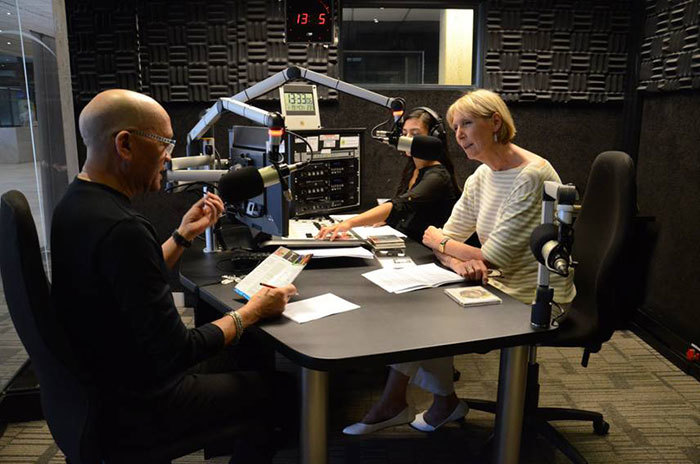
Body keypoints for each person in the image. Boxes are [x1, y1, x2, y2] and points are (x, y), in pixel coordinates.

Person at [50, 89, 297, 462]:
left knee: (238, 360)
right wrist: (253, 311)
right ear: (125, 144)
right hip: (140, 406)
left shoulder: (76, 204)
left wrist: (183, 235)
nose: (169, 156)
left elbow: (129, 280)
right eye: (165, 142)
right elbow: (180, 351)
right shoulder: (122, 228)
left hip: (100, 389)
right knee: (280, 390)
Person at [343, 89, 575, 435]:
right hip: (494, 280)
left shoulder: (531, 175)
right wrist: (454, 260)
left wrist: (444, 243)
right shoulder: (482, 175)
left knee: (425, 318)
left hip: (533, 297)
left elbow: (480, 251)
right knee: (415, 306)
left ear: (495, 122)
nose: (460, 135)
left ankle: (411, 403)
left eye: (467, 123)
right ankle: (435, 403)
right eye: (455, 128)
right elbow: (448, 238)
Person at [316, 107, 460, 242]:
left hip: (428, 252)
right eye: (404, 134)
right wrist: (387, 219)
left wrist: (349, 223)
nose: (407, 139)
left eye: (415, 134)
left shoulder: (437, 177)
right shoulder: (413, 168)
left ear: (433, 138)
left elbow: (402, 204)